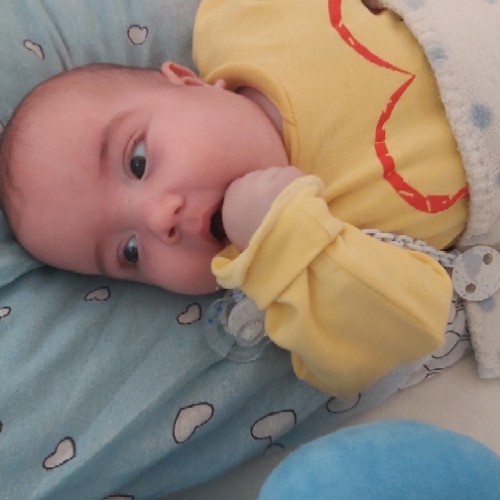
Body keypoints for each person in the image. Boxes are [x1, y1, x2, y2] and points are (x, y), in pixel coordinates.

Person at [0, 0, 497, 397]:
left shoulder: (240, 21)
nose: (157, 218)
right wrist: (288, 246)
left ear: (186, 81)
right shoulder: (307, 284)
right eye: (129, 252)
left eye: (138, 161)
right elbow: (411, 328)